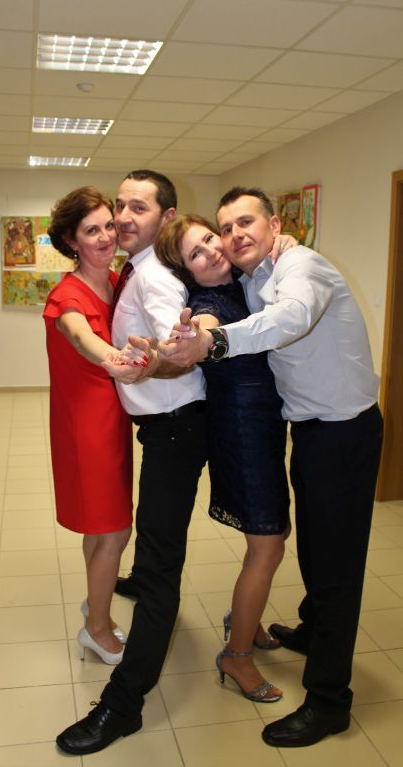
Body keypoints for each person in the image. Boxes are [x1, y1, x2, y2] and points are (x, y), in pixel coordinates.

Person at [159, 187, 383, 748]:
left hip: (343, 433)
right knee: (314, 549)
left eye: (246, 223)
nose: (233, 236)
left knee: (336, 567)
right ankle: (313, 628)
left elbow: (292, 317)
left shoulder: (301, 266)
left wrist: (212, 342)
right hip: (306, 432)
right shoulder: (254, 274)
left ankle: (328, 702)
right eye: (225, 228)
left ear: (275, 224)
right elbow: (217, 308)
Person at [56, 170, 209, 756]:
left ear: (166, 217)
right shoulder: (134, 270)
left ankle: (123, 704)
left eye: (135, 208)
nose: (121, 218)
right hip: (156, 427)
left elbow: (182, 349)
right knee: (140, 545)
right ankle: (118, 598)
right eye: (118, 206)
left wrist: (149, 364)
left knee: (158, 567)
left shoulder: (153, 278)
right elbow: (83, 333)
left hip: (175, 427)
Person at [155, 213, 291, 703]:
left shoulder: (242, 281)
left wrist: (283, 242)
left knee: (272, 538)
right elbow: (204, 328)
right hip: (241, 433)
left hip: (266, 426)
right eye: (196, 253)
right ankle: (236, 656)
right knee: (268, 544)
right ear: (187, 271)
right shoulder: (209, 302)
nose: (212, 250)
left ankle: (246, 620)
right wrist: (191, 338)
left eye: (210, 239)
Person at [43, 186, 148, 667]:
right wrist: (115, 359)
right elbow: (80, 335)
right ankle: (97, 629)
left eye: (109, 226)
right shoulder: (67, 295)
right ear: (71, 240)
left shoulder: (116, 279)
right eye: (92, 230)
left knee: (102, 527)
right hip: (86, 427)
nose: (106, 236)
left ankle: (96, 604)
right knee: (115, 529)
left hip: (113, 419)